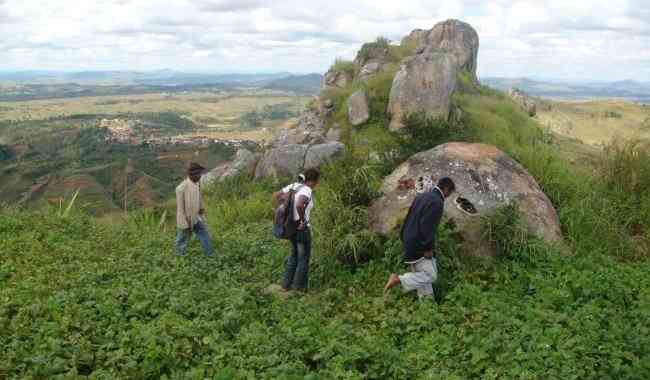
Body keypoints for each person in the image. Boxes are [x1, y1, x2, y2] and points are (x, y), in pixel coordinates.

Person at [384, 177, 456, 300]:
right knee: (430, 275)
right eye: (450, 193)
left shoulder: (422, 196)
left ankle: (427, 306)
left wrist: (403, 237)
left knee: (420, 277)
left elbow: (409, 217)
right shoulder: (437, 202)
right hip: (420, 244)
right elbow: (427, 226)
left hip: (409, 240)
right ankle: (398, 279)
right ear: (446, 189)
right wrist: (428, 248)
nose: (448, 196)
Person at [273, 169, 320, 292]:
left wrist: (285, 206)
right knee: (303, 258)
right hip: (301, 228)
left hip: (291, 227)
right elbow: (300, 204)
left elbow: (277, 195)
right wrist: (303, 220)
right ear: (314, 181)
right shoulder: (307, 190)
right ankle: (298, 289)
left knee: (293, 256)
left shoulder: (294, 186)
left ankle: (285, 285)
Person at [175, 162, 214, 257]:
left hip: (196, 218)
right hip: (186, 220)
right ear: (191, 174)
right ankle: (180, 257)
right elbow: (180, 209)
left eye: (200, 174)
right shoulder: (181, 188)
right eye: (198, 174)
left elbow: (199, 197)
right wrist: (185, 223)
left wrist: (201, 208)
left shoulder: (197, 184)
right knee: (182, 239)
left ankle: (210, 255)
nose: (200, 176)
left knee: (204, 234)